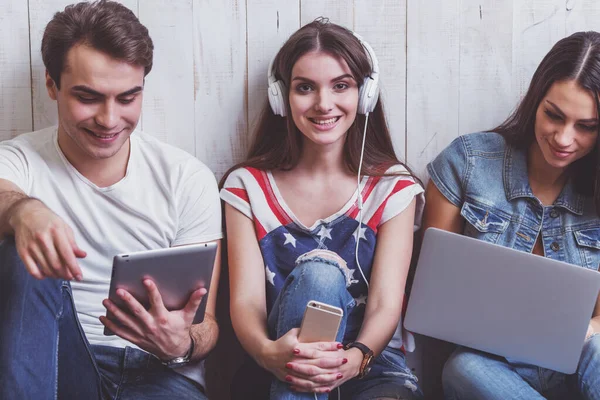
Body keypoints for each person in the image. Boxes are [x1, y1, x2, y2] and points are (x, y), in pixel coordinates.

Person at [0, 1, 222, 399]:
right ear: (52, 85)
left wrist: (183, 343)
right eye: (88, 97)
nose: (108, 119)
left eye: (126, 98)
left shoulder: (185, 179)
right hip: (57, 365)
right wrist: (23, 210)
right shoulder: (19, 161)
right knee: (21, 250)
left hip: (160, 376)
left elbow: (207, 327)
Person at [220, 18, 425, 400]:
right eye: (305, 88)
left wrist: (354, 358)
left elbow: (384, 304)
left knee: (323, 272)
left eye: (341, 85)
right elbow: (246, 302)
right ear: (281, 98)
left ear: (365, 95)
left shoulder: (392, 187)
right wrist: (269, 355)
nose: (323, 104)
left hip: (368, 364)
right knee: (320, 275)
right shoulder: (247, 186)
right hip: (278, 359)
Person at [423, 31, 600, 400]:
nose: (564, 138)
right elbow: (433, 299)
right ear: (535, 100)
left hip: (579, 358)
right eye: (554, 115)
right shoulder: (468, 163)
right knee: (463, 368)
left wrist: (582, 332)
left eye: (586, 126)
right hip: (490, 368)